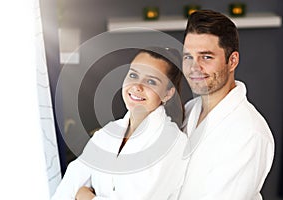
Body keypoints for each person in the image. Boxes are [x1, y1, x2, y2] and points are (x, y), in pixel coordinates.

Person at [51, 47, 188, 200]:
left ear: (168, 93)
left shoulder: (173, 143)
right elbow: (71, 183)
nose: (137, 86)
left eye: (151, 81)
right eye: (133, 75)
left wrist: (86, 197)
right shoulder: (107, 134)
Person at [178, 10, 275, 199]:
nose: (194, 67)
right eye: (188, 56)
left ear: (232, 61)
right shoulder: (189, 110)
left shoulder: (249, 133)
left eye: (206, 57)